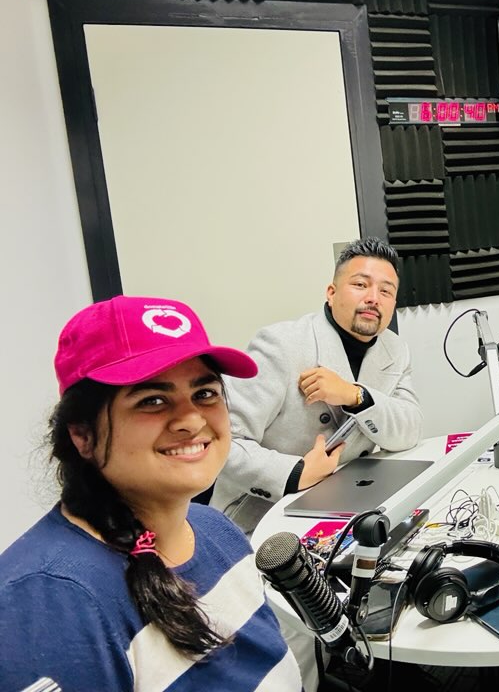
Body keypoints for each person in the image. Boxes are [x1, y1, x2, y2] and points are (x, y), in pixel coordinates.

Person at [0, 296, 302, 691]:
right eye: (153, 401)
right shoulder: (47, 602)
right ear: (82, 435)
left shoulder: (216, 530)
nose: (192, 420)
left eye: (205, 393)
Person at [211, 237, 422, 535]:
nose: (374, 298)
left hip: (346, 505)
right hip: (261, 517)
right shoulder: (280, 345)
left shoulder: (395, 349)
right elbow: (224, 442)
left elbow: (410, 428)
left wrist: (355, 395)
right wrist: (296, 473)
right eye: (361, 285)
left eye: (386, 291)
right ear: (331, 293)